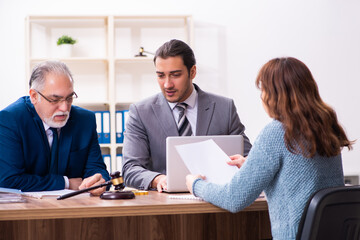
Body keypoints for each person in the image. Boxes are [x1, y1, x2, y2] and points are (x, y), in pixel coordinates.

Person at [186, 57, 354, 240]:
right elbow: (299, 181)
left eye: (263, 90)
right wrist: (252, 165)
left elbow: (233, 198)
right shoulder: (326, 126)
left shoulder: (277, 132)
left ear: (274, 95)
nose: (262, 97)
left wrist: (196, 185)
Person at [122, 39, 252, 192]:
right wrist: (158, 179)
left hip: (217, 202)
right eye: (161, 75)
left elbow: (250, 159)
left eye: (175, 75)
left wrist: (245, 163)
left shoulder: (224, 108)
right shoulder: (141, 112)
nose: (167, 84)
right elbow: (130, 169)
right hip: (165, 206)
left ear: (192, 72)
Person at [0, 60, 110, 195]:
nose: (64, 108)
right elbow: (8, 180)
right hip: (26, 210)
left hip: (77, 207)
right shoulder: (10, 120)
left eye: (69, 98)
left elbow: (97, 168)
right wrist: (66, 183)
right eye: (55, 99)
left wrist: (98, 181)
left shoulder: (85, 120)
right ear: (34, 96)